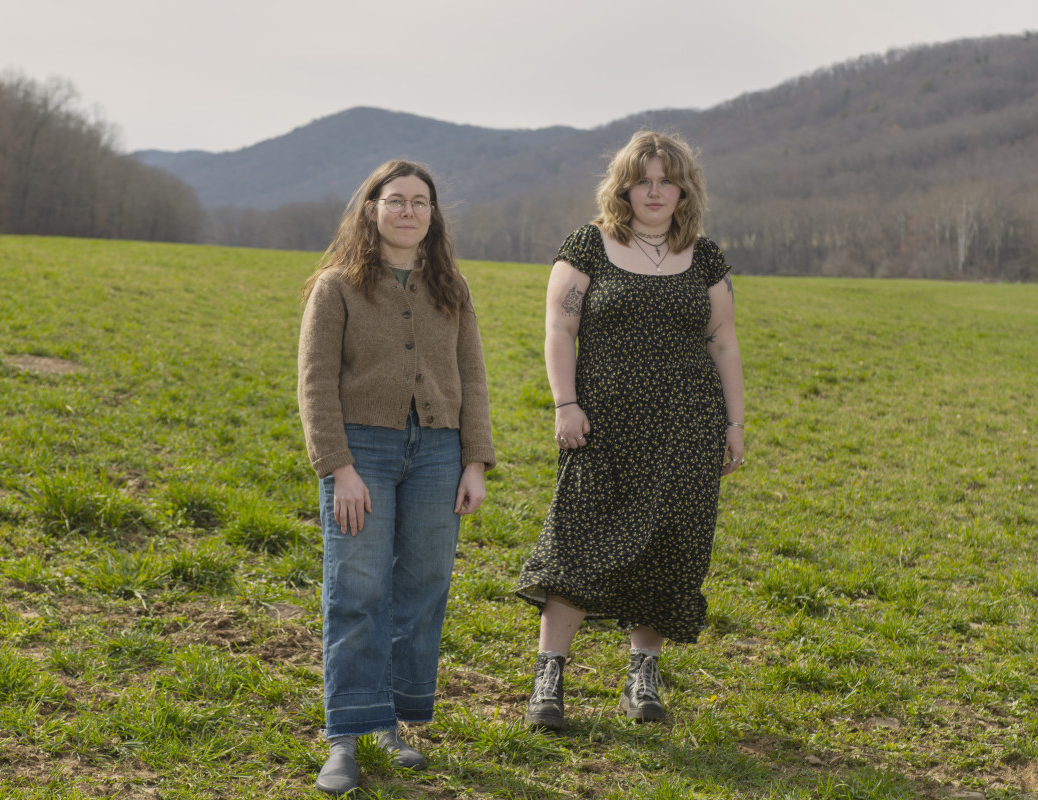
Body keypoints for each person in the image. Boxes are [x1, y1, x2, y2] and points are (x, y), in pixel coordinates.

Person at [515, 130, 745, 729]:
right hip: (602, 426)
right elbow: (559, 331)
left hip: (688, 428)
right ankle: (548, 680)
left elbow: (723, 341)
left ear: (684, 188)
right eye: (642, 179)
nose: (654, 191)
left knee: (671, 547)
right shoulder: (589, 245)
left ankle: (642, 678)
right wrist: (565, 403)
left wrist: (735, 421)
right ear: (623, 186)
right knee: (577, 542)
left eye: (666, 179)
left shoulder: (705, 254)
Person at [297, 159, 495, 795]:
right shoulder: (336, 287)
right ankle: (343, 738)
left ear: (433, 216)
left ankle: (388, 723)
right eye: (395, 200)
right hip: (363, 455)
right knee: (357, 588)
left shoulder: (451, 288)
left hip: (438, 454)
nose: (408, 211)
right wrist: (340, 469)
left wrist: (473, 460)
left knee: (423, 586)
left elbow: (473, 378)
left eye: (420, 202)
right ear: (372, 209)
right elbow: (315, 384)